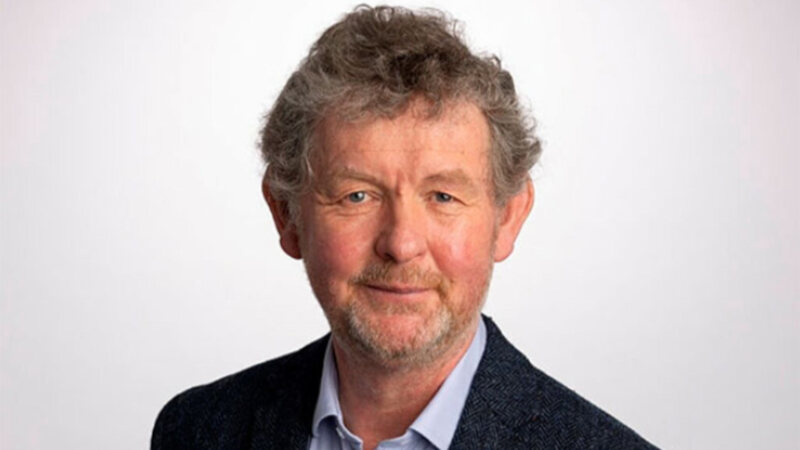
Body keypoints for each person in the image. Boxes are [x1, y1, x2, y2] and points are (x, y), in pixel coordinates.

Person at [152, 6, 656, 449]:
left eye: (443, 196)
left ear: (507, 217)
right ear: (286, 214)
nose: (401, 243)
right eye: (357, 195)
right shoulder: (197, 430)